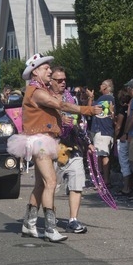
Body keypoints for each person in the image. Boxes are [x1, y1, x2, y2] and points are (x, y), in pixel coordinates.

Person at [7, 53, 102, 242]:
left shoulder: (39, 89)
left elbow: (52, 110)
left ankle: (29, 224)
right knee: (51, 182)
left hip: (44, 139)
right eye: (45, 68)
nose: (49, 70)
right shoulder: (36, 91)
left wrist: (59, 120)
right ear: (35, 72)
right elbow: (61, 104)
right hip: (40, 141)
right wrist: (88, 109)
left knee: (41, 184)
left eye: (49, 67)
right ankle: (50, 228)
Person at [50, 66, 94, 234]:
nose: (63, 83)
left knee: (77, 183)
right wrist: (60, 122)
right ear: (51, 81)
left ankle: (73, 220)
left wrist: (87, 142)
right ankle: (50, 218)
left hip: (73, 146)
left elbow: (78, 123)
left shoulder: (71, 99)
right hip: (52, 147)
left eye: (64, 80)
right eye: (59, 80)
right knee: (51, 187)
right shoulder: (45, 98)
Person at [87, 79, 115, 187]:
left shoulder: (105, 98)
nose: (100, 85)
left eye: (102, 84)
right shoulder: (109, 98)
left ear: (106, 87)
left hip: (102, 131)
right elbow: (90, 109)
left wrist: (91, 98)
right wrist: (91, 98)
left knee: (102, 156)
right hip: (106, 131)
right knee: (102, 155)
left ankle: (103, 181)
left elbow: (91, 110)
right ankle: (103, 180)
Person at [115, 85, 133, 196]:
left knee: (124, 163)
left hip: (123, 139)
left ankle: (126, 187)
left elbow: (118, 126)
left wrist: (115, 137)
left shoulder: (123, 110)